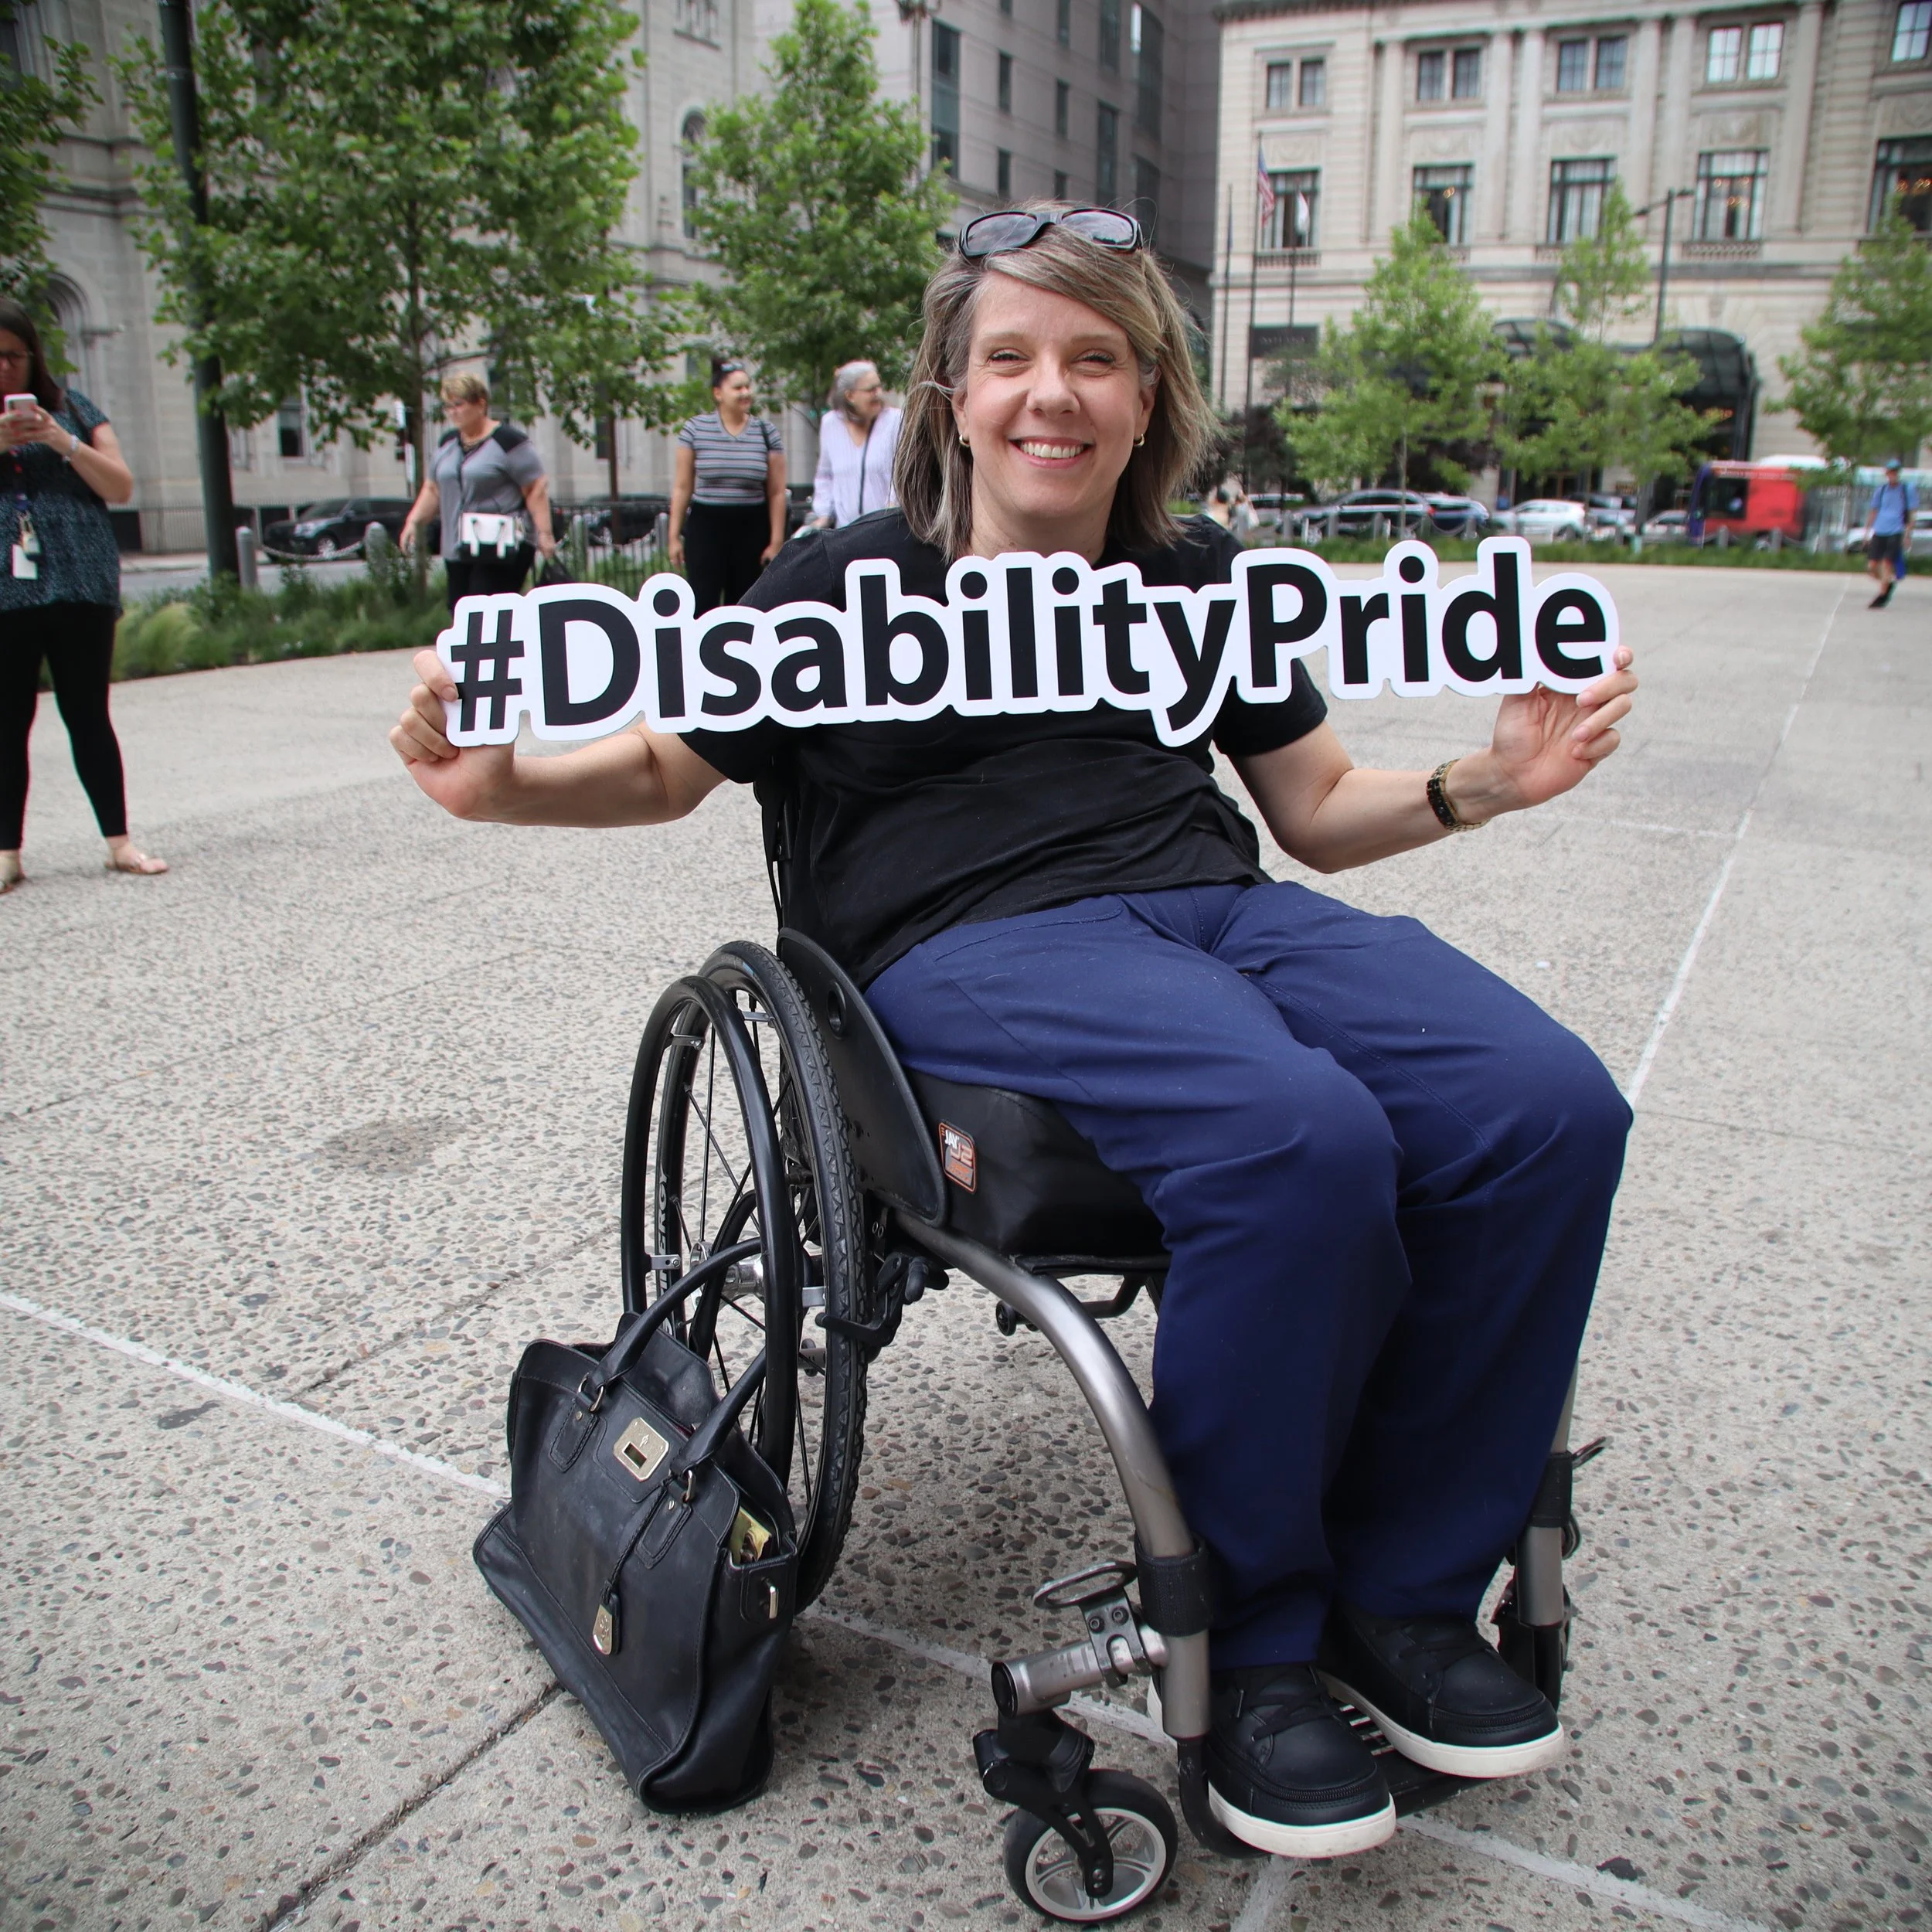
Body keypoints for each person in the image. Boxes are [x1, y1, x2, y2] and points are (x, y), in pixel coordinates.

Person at [392, 204, 1638, 1862]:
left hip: (1213, 906)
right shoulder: (840, 580)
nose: (1049, 393)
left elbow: (1318, 811)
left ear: (1144, 394)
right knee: (1297, 1130)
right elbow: (661, 767)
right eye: (1009, 359)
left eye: (1093, 358)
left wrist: (1488, 780)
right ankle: (1251, 1636)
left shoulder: (1193, 574)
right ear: (949, 394)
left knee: (1546, 1102)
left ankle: (1401, 1595)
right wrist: (498, 791)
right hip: (963, 943)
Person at [0, 297, 165, 893]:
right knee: (7, 721)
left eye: (13, 356)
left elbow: (119, 484)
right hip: (5, 591)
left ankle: (118, 842)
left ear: (32, 356)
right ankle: (7, 853)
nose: (3, 368)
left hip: (80, 582)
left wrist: (58, 439)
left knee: (88, 714)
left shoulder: (74, 408)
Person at [400, 372, 556, 610]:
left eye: (459, 405)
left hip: (501, 543)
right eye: (448, 406)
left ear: (480, 404)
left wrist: (544, 533)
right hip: (459, 545)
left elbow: (535, 487)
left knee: (484, 610)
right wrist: (414, 521)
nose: (453, 412)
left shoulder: (508, 441)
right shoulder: (447, 443)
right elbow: (433, 488)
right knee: (460, 611)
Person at [669, 360, 786, 612]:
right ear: (718, 393)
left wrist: (776, 541)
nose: (745, 393)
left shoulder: (766, 432)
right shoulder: (696, 429)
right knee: (702, 601)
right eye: (737, 388)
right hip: (707, 524)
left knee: (747, 603)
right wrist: (673, 537)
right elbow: (682, 487)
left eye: (747, 387)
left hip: (751, 526)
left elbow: (777, 492)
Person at [809, 360, 902, 530]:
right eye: (870, 390)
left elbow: (902, 474)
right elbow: (825, 476)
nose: (878, 394)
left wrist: (892, 508)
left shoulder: (895, 421)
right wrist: (823, 515)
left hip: (886, 529)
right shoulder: (830, 424)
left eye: (879, 387)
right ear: (850, 396)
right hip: (844, 531)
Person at [1864, 458, 1917, 609]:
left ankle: (1882, 596)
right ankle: (1887, 584)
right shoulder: (1881, 491)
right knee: (1873, 566)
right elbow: (1874, 511)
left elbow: (1912, 513)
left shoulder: (1907, 489)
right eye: (1891, 472)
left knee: (1887, 563)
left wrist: (1908, 534)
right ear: (1887, 473)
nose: (1893, 474)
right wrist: (1867, 531)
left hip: (1896, 530)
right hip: (1880, 529)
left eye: (1896, 472)